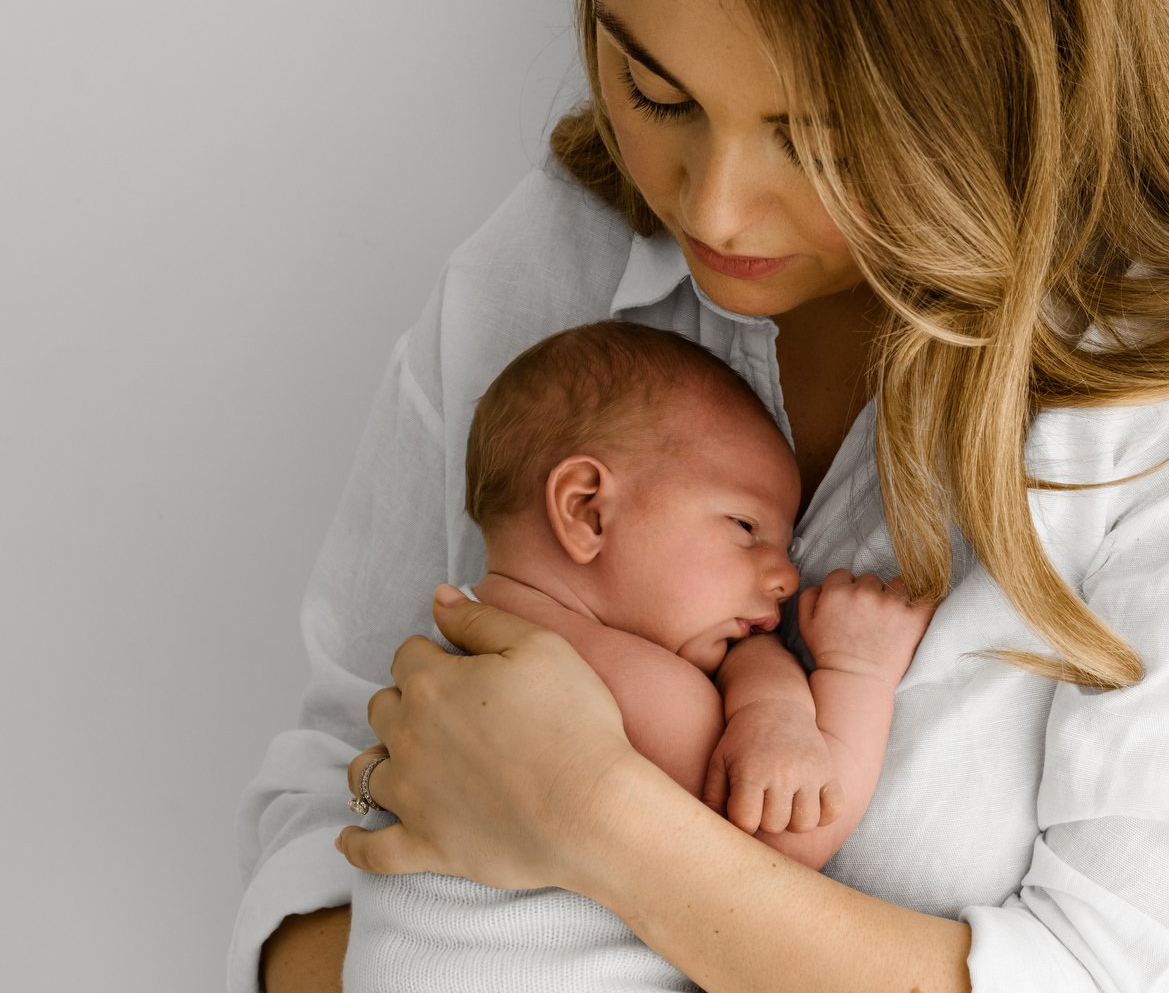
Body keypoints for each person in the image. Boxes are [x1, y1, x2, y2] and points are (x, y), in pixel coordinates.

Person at [233, 0, 1169, 990]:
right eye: (657, 92)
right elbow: (316, 812)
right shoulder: (553, 262)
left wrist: (590, 814)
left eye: (826, 138)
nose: (717, 212)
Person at [341, 319, 934, 990]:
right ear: (588, 510)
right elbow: (779, 854)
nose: (786, 576)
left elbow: (734, 659)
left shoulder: (474, 639)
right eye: (746, 528)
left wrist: (768, 704)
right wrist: (859, 673)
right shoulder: (602, 689)